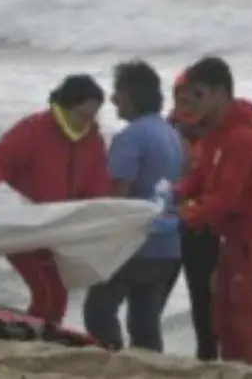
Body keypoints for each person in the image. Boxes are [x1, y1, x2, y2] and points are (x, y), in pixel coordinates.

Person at [0, 74, 112, 324]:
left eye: (94, 115)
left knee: (56, 293)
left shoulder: (93, 140)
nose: (89, 121)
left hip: (59, 231)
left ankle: (40, 331)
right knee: (49, 290)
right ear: (67, 106)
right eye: (84, 115)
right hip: (22, 228)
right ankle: (40, 331)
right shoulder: (34, 129)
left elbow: (98, 189)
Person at [174, 56, 252, 365]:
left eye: (199, 94)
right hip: (231, 236)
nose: (193, 103)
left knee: (245, 314)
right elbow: (198, 177)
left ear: (219, 92)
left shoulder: (243, 137)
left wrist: (185, 216)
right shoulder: (214, 133)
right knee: (221, 313)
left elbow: (227, 196)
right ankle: (234, 368)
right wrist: (172, 194)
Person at [82, 61, 184, 352]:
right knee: (145, 323)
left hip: (136, 243)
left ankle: (110, 364)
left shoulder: (131, 137)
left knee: (99, 312)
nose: (113, 100)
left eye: (118, 93)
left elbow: (119, 199)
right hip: (167, 242)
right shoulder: (170, 134)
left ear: (130, 94)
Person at [167, 71, 220, 361]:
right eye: (181, 95)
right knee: (152, 299)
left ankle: (208, 360)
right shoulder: (166, 130)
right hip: (169, 225)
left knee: (204, 302)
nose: (186, 101)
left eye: (194, 94)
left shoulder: (218, 132)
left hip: (204, 229)